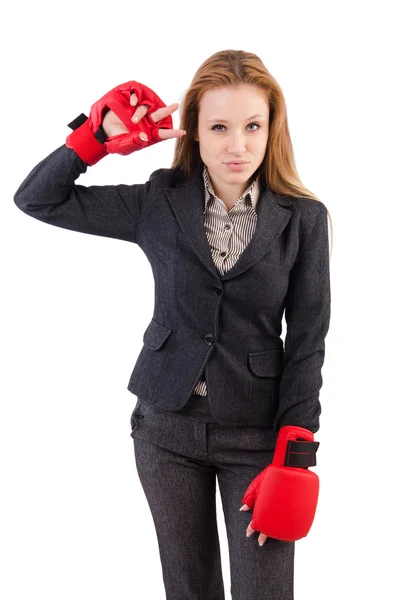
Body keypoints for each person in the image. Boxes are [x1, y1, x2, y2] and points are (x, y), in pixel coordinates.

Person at [14, 49, 332, 600]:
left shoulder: (303, 219)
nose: (237, 144)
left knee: (266, 592)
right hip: (166, 428)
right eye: (219, 127)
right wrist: (94, 137)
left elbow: (308, 339)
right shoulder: (160, 200)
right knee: (189, 589)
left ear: (272, 129)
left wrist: (296, 454)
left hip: (257, 435)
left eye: (253, 126)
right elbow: (37, 199)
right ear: (192, 133)